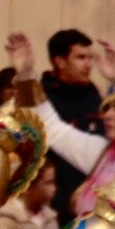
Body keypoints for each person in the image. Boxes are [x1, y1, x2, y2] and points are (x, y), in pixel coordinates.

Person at [8, 35, 115, 216]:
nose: (107, 115)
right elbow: (51, 127)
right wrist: (25, 75)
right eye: (107, 108)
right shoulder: (104, 153)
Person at [41, 27, 103, 200]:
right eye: (81, 57)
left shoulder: (93, 94)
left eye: (89, 57)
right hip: (57, 200)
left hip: (94, 197)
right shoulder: (43, 99)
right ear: (60, 61)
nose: (88, 64)